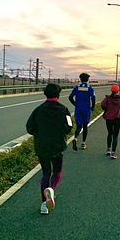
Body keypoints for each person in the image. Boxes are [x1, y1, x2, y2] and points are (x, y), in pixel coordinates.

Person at [26, 83, 73, 215]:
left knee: (46, 173)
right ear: (58, 95)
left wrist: (40, 133)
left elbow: (29, 127)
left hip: (42, 146)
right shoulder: (64, 110)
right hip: (57, 145)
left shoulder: (38, 110)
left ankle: (43, 205)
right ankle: (51, 190)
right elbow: (69, 127)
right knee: (57, 171)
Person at [69, 72, 96, 151]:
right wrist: (93, 107)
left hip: (78, 108)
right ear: (88, 80)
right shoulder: (90, 88)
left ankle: (76, 138)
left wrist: (75, 104)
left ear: (80, 79)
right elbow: (93, 98)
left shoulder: (76, 88)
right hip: (86, 109)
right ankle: (83, 143)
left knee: (78, 126)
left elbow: (70, 97)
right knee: (85, 126)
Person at [101, 84, 120, 159]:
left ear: (111, 90)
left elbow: (102, 105)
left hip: (109, 118)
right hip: (117, 119)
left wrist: (106, 109)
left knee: (110, 133)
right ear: (118, 91)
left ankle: (108, 149)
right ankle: (113, 152)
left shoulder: (108, 98)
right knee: (115, 136)